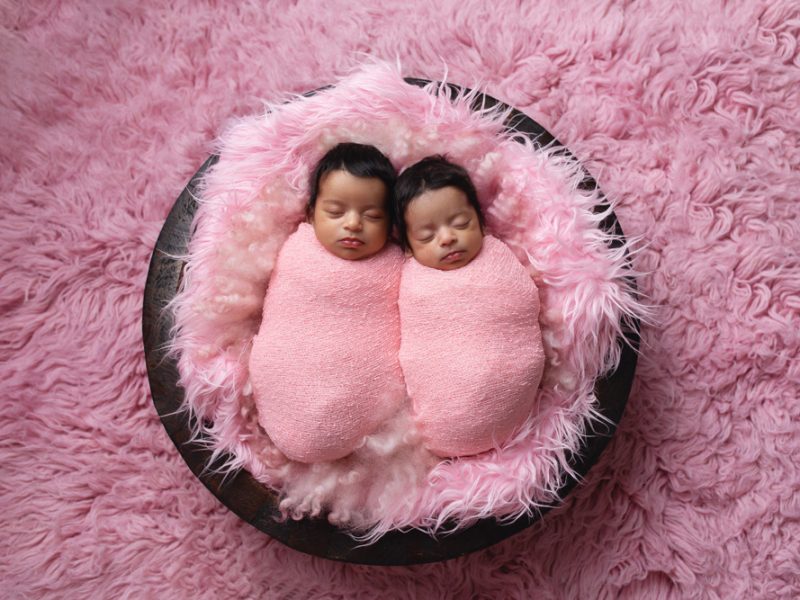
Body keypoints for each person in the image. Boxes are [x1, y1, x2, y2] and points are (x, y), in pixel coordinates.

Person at [249, 143, 405, 463]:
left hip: (359, 384)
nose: (352, 224)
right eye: (335, 212)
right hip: (292, 373)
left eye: (372, 215)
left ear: (391, 225)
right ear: (310, 213)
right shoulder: (298, 250)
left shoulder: (397, 264)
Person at [393, 155, 546, 457]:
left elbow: (522, 304)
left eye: (460, 223)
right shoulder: (412, 280)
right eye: (427, 235)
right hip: (447, 403)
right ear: (408, 247)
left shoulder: (497, 258)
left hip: (509, 382)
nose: (448, 238)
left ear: (481, 222)